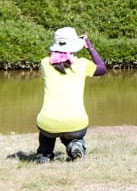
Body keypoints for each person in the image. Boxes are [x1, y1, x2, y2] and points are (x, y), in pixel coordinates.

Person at [34, 26, 107, 163]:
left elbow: (56, 61)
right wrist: (89, 47)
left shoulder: (45, 63)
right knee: (71, 131)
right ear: (74, 45)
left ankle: (44, 154)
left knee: (48, 130)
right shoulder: (82, 65)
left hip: (48, 123)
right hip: (76, 124)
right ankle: (75, 146)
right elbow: (102, 69)